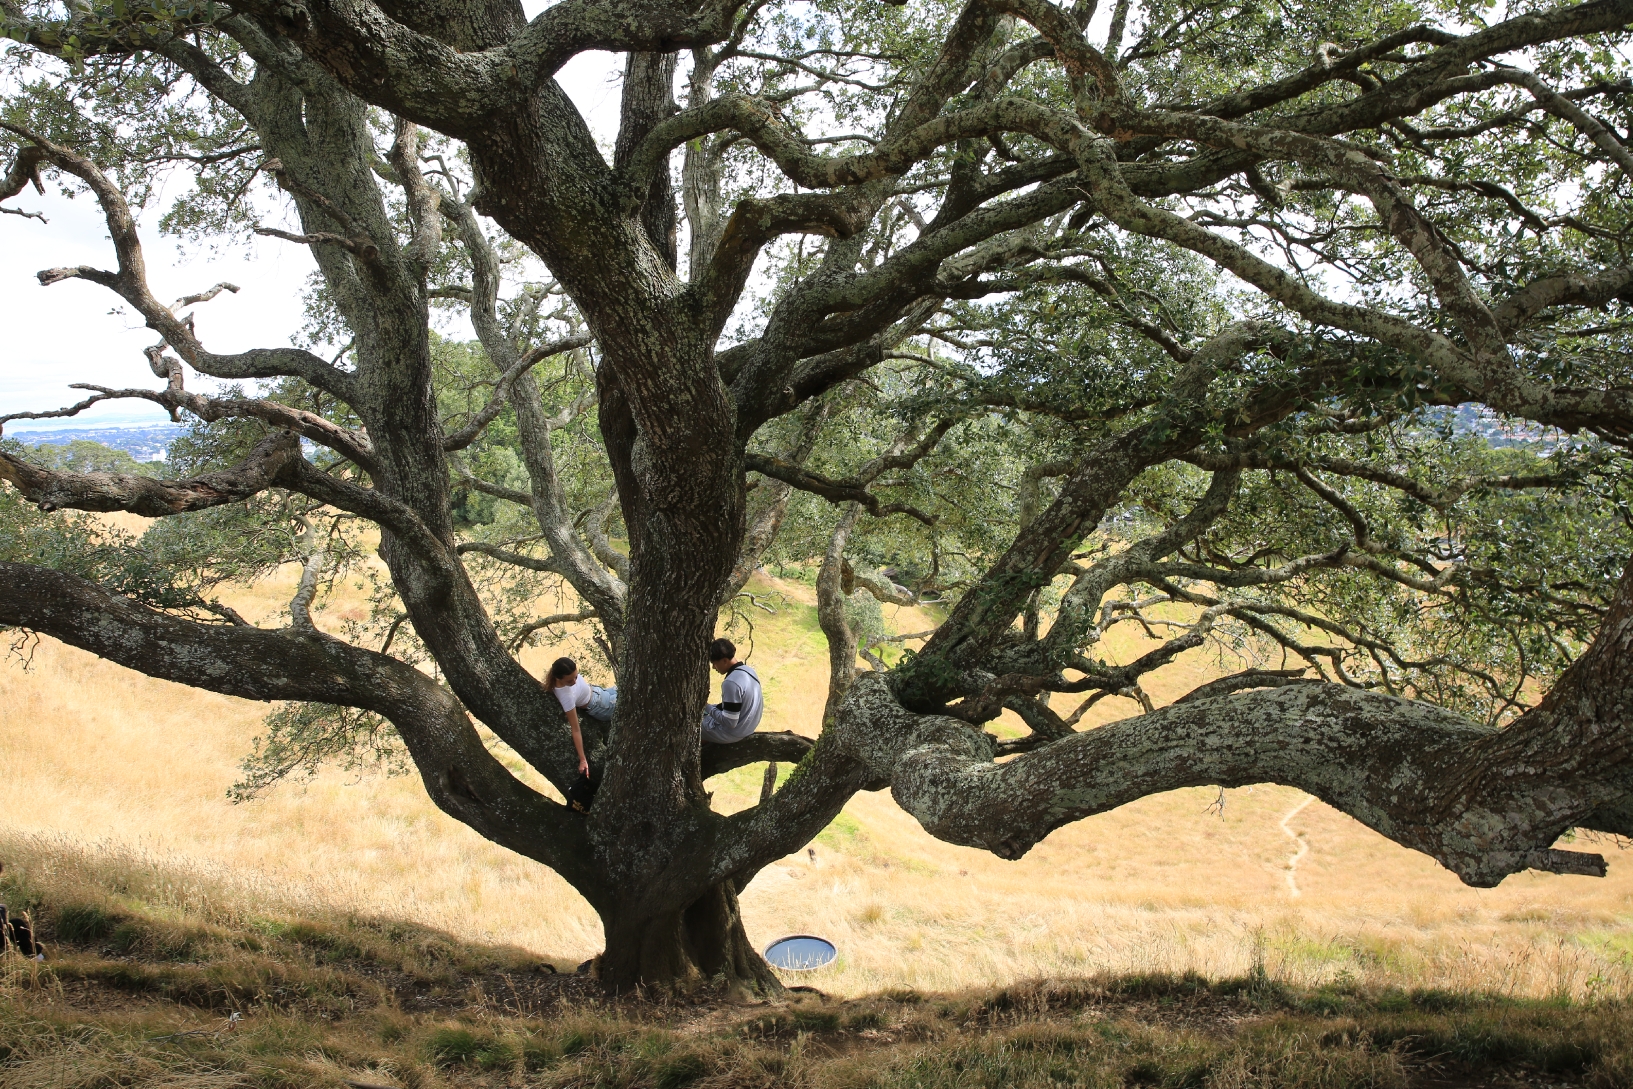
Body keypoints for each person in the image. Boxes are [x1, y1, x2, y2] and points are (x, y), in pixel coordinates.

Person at [543, 657, 616, 778]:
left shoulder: (561, 675)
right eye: (570, 681)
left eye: (576, 677)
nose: (575, 682)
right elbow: (575, 729)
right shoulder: (566, 697)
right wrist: (583, 760)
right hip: (602, 706)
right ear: (558, 678)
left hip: (601, 692)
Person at [701, 638, 764, 744]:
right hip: (748, 727)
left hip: (734, 733)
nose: (713, 667)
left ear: (725, 660)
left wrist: (705, 706)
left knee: (690, 724)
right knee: (707, 713)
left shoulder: (731, 682)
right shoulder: (748, 670)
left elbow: (730, 722)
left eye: (714, 663)